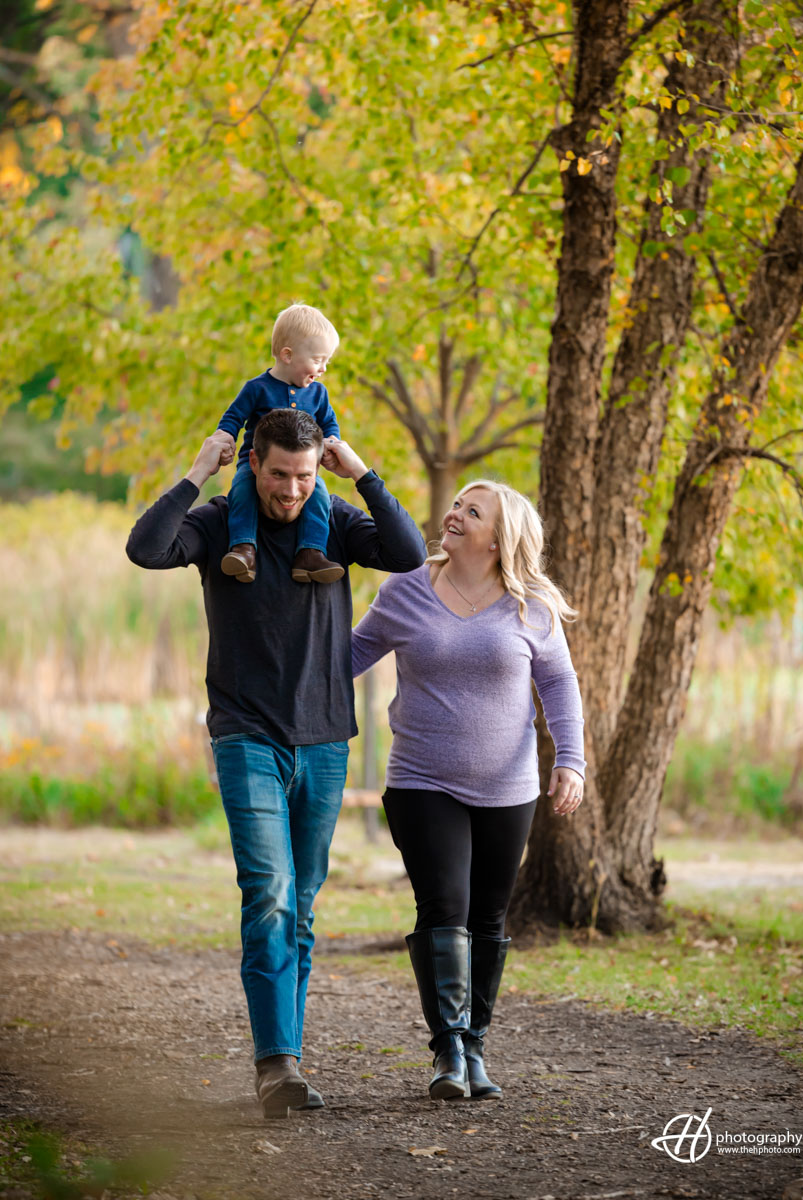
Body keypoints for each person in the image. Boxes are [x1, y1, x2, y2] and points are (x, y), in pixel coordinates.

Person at [126, 409, 426, 1118]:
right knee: (269, 892)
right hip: (245, 735)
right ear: (254, 464)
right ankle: (276, 1065)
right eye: (279, 474)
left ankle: (286, 1054)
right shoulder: (217, 522)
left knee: (301, 907)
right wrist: (199, 468)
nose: (291, 491)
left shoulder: (336, 517)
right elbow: (146, 548)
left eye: (303, 474)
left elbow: (408, 552)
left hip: (324, 741)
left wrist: (361, 474)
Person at [351, 480, 585, 1102]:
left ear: (498, 537)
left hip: (509, 787)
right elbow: (345, 656)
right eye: (456, 504)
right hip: (423, 780)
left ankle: (476, 1045)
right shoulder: (406, 587)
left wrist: (572, 760)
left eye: (471, 511)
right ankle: (449, 1049)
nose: (453, 515)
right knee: (444, 908)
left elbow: (558, 684)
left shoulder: (531, 605)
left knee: (488, 916)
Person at [216, 303, 345, 585]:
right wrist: (225, 436)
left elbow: (329, 424)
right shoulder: (257, 388)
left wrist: (331, 442)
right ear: (287, 355)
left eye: (327, 362)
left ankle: (310, 553)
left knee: (320, 494)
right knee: (242, 490)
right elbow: (233, 417)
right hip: (258, 466)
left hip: (302, 471)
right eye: (318, 360)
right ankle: (243, 548)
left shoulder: (318, 394)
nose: (323, 369)